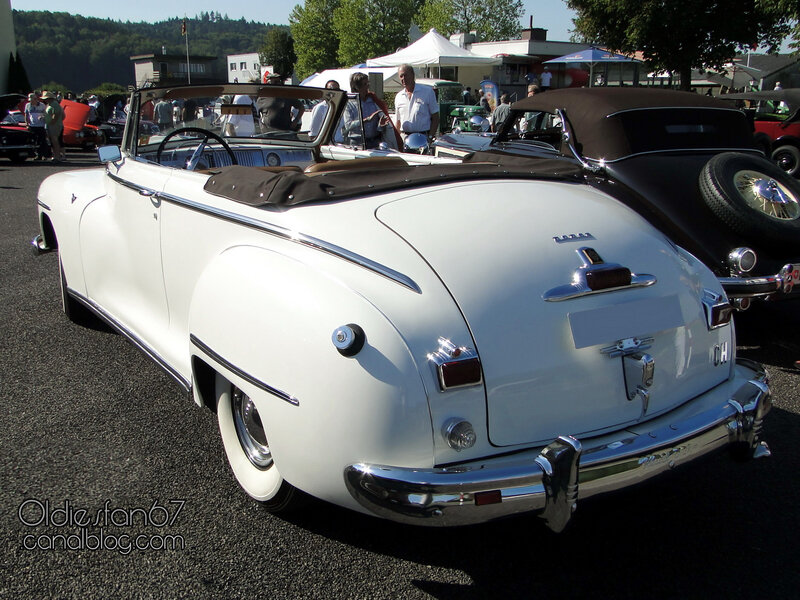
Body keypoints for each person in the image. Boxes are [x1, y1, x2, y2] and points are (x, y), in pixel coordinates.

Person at [343, 72, 392, 149]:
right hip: (357, 142)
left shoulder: (373, 101)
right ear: (356, 87)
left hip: (375, 141)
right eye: (365, 84)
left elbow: (378, 127)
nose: (368, 87)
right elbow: (348, 126)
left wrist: (381, 126)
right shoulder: (349, 104)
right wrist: (365, 120)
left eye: (368, 84)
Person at [394, 64, 439, 140]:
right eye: (401, 76)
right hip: (404, 138)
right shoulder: (399, 96)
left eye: (406, 75)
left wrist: (430, 137)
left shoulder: (427, 92)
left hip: (423, 137)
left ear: (412, 75)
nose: (403, 78)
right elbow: (398, 122)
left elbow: (436, 118)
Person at [41, 91, 65, 162]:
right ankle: (55, 155)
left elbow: (56, 115)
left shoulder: (54, 104)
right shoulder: (50, 104)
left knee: (55, 141)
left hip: (54, 125)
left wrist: (52, 122)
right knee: (52, 141)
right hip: (50, 125)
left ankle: (57, 156)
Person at [24, 92, 48, 160]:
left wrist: (42, 116)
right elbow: (26, 115)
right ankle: (37, 155)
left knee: (42, 141)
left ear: (35, 99)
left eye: (32, 100)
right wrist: (27, 124)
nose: (31, 101)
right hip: (32, 125)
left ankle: (44, 155)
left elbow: (46, 114)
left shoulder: (42, 105)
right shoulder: (28, 105)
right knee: (34, 141)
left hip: (41, 125)